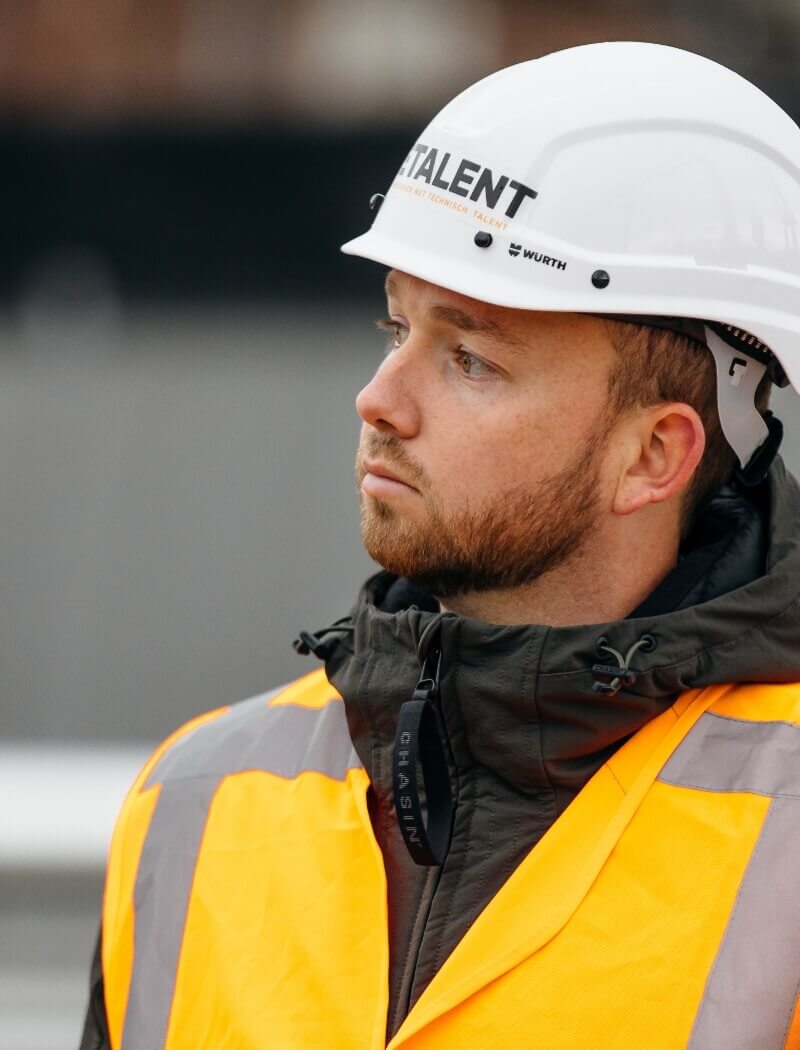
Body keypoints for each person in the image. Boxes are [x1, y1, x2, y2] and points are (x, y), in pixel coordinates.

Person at [81, 41, 800, 1049]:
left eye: (468, 358)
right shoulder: (197, 804)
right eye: (394, 332)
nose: (379, 401)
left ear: (651, 455)